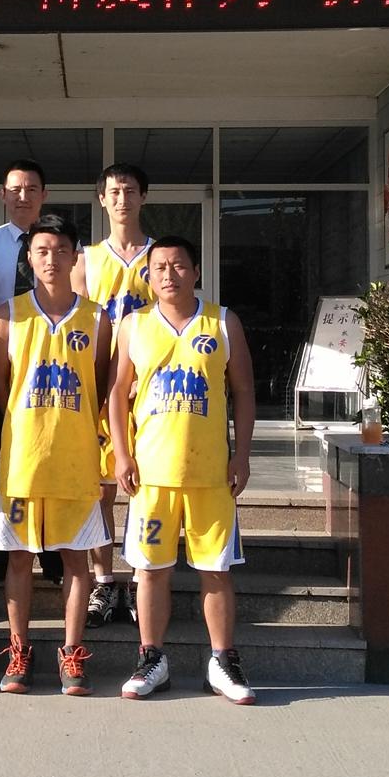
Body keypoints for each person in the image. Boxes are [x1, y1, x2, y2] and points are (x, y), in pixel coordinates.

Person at [105, 235, 257, 706]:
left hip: (211, 474)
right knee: (150, 571)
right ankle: (151, 658)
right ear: (148, 276)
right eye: (159, 267)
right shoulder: (133, 325)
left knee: (216, 569)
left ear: (195, 271)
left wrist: (242, 454)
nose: (168, 275)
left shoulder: (223, 321)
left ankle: (223, 660)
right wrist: (122, 455)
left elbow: (244, 391)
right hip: (151, 475)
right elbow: (116, 393)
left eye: (178, 266)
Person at [0, 213, 111, 696]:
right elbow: (0, 388)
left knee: (76, 561)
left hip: (75, 460)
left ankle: (72, 652)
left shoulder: (98, 318)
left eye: (61, 250)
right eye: (42, 250)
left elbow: (100, 386)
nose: (52, 259)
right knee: (19, 560)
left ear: (75, 256)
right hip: (23, 461)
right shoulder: (8, 315)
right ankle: (19, 650)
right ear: (29, 257)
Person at [0, 160, 63, 587]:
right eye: (15, 189)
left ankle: (53, 551)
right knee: (6, 462)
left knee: (51, 459)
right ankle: (3, 550)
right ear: (2, 195)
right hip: (4, 369)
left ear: (44, 194)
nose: (23, 196)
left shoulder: (62, 247)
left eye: (31, 189)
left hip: (53, 373)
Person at [74, 162, 156, 627]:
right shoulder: (85, 259)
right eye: (114, 192)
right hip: (101, 389)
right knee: (100, 492)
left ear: (143, 196)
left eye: (130, 190)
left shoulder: (160, 256)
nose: (122, 199)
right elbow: (76, 328)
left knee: (146, 490)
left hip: (150, 393)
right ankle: (104, 581)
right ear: (102, 199)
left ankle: (143, 576)